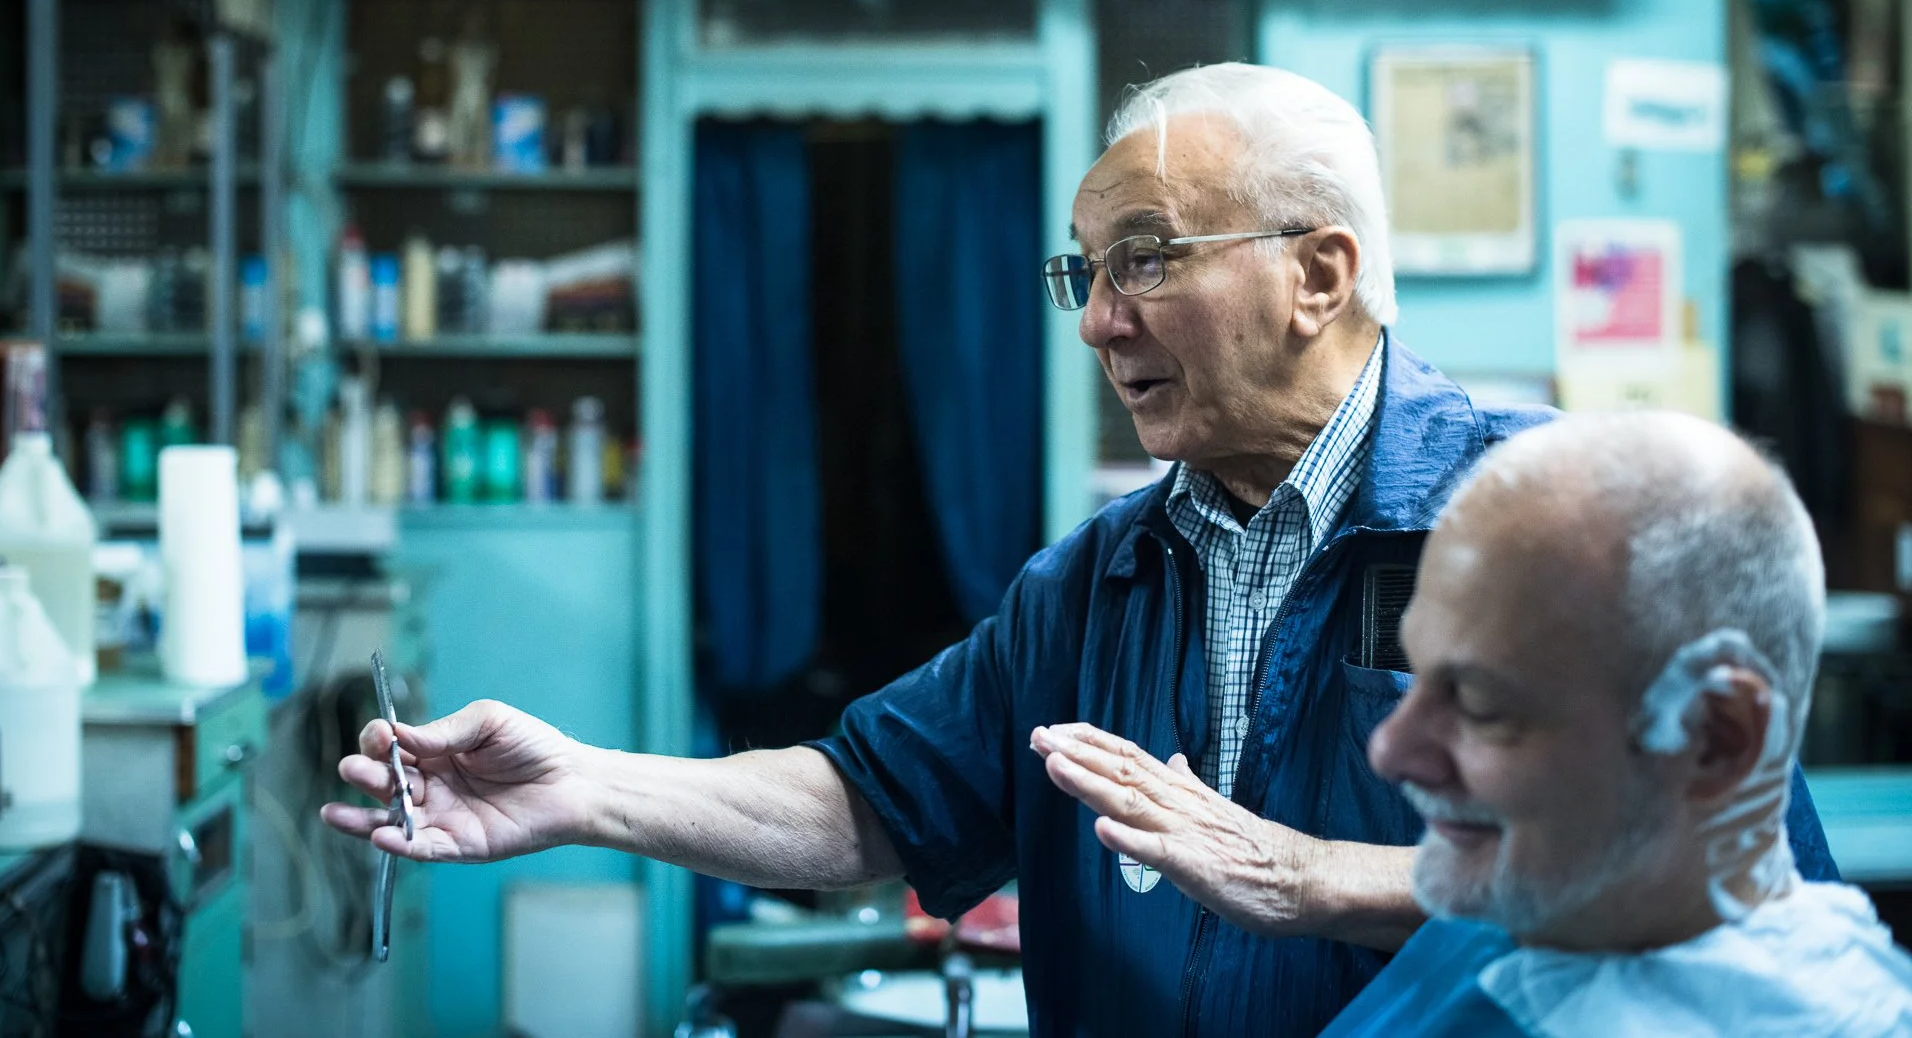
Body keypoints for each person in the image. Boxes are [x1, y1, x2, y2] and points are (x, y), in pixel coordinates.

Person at [322, 65, 1836, 1037]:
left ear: (1319, 273)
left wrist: (1327, 877)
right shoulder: (1097, 578)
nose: (1101, 319)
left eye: (1147, 261)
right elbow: (874, 797)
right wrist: (587, 783)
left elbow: (1742, 885)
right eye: (1086, 273)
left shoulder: (1550, 520)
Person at [1317, 411, 1912, 1037]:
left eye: (1482, 705)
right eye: (1420, 674)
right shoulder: (1528, 921)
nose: (1390, 749)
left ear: (1714, 739)